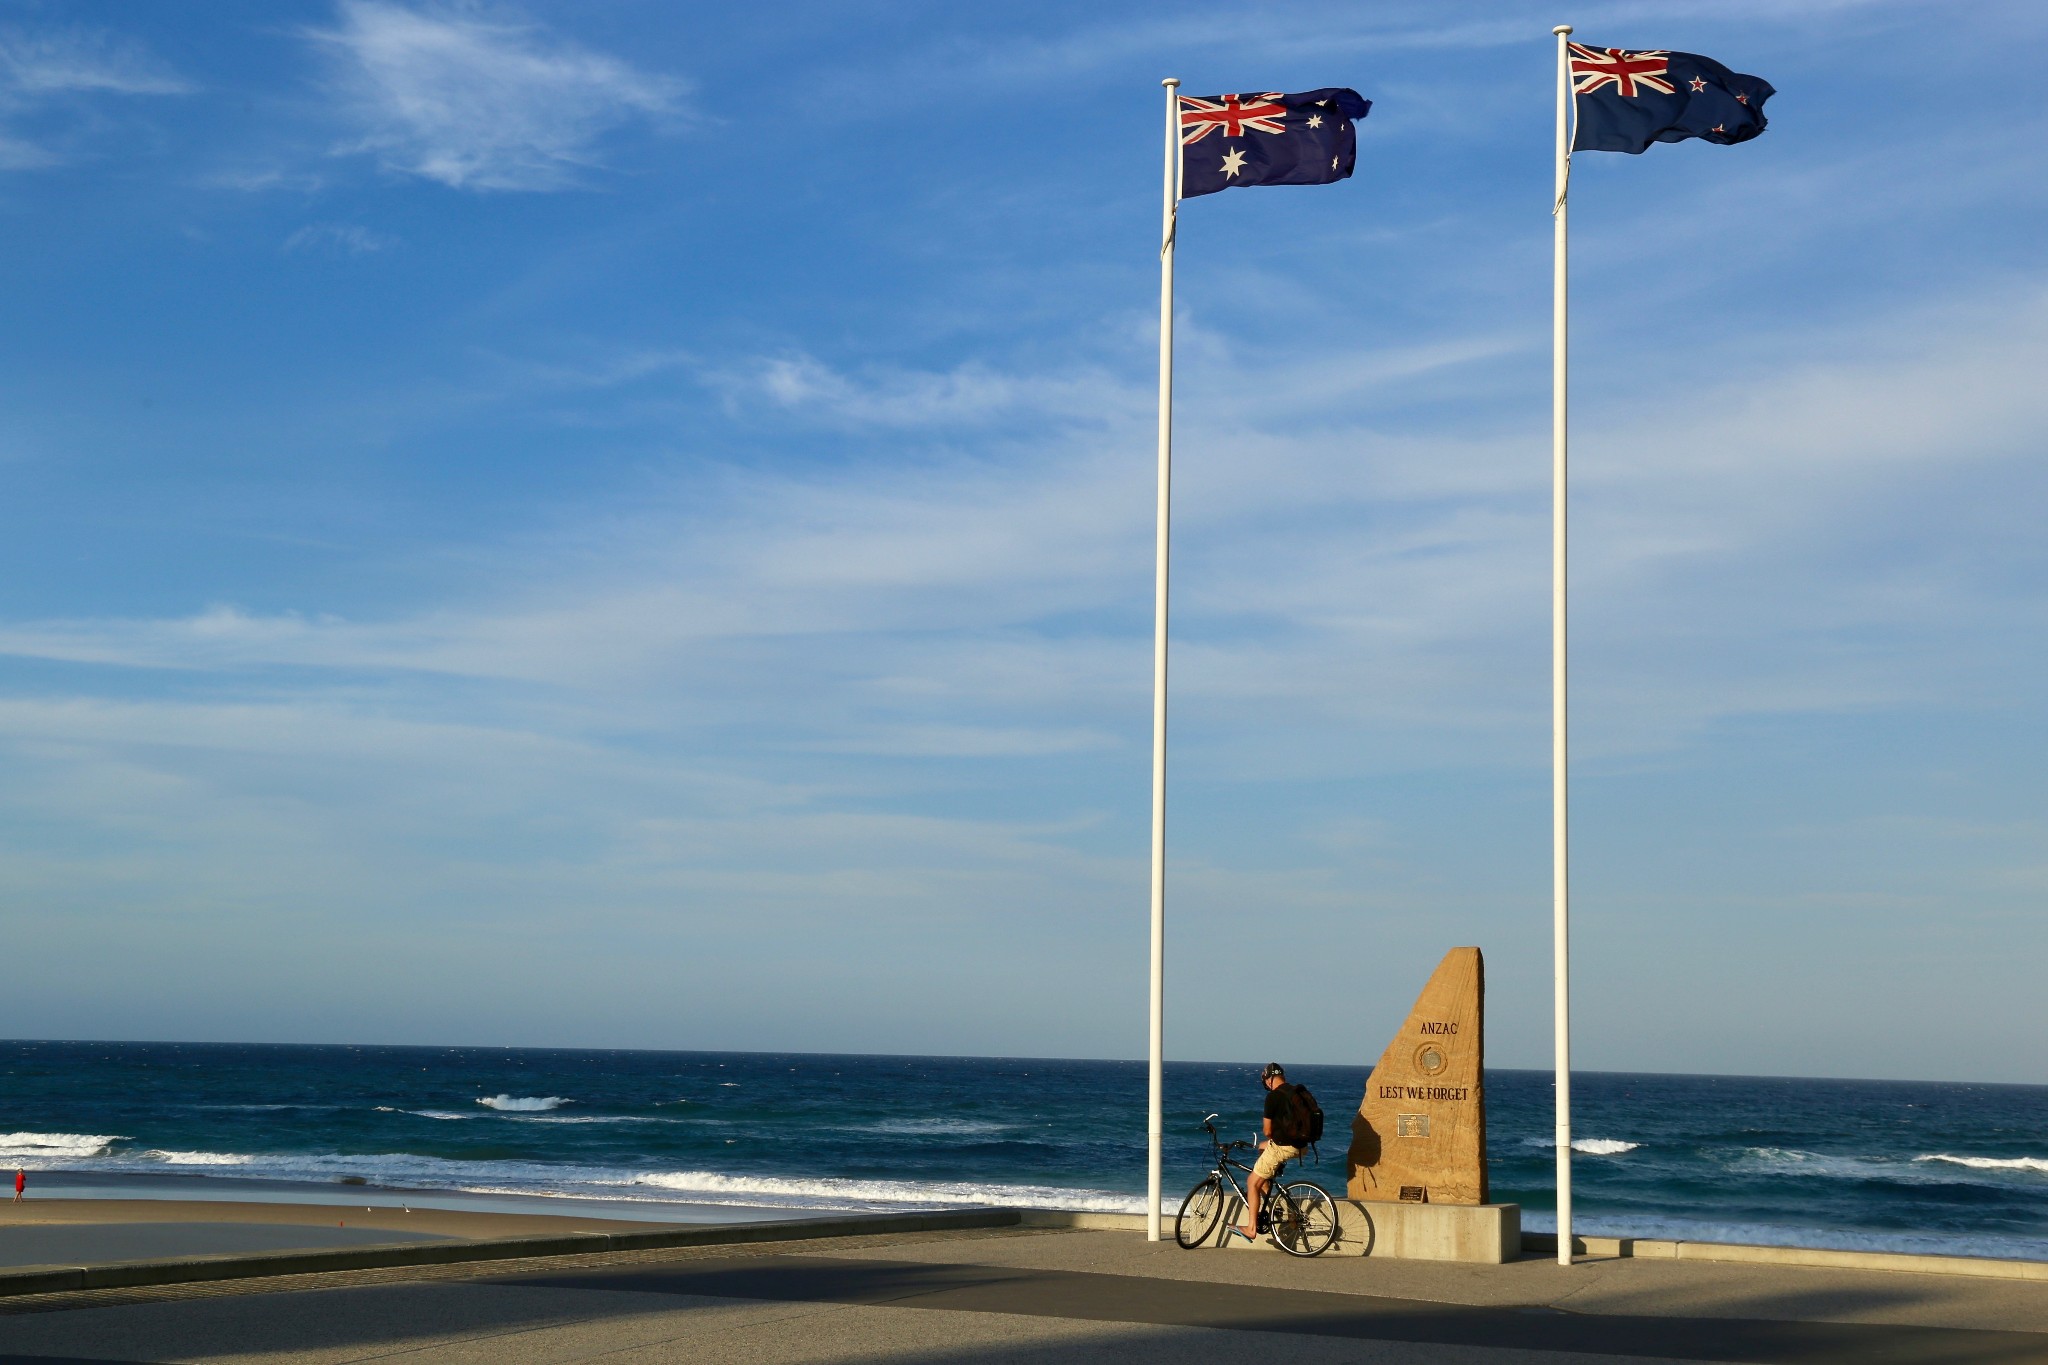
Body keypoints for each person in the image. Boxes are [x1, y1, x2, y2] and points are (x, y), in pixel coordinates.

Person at [1234, 1062, 1304, 1241]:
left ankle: (1251, 1229)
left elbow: (1267, 1131)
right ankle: (1272, 1197)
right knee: (1262, 1148)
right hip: (1302, 1145)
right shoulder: (1296, 1092)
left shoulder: (1273, 1097)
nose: (1266, 1085)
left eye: (1266, 1081)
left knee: (1251, 1182)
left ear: (1269, 1079)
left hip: (1284, 1146)